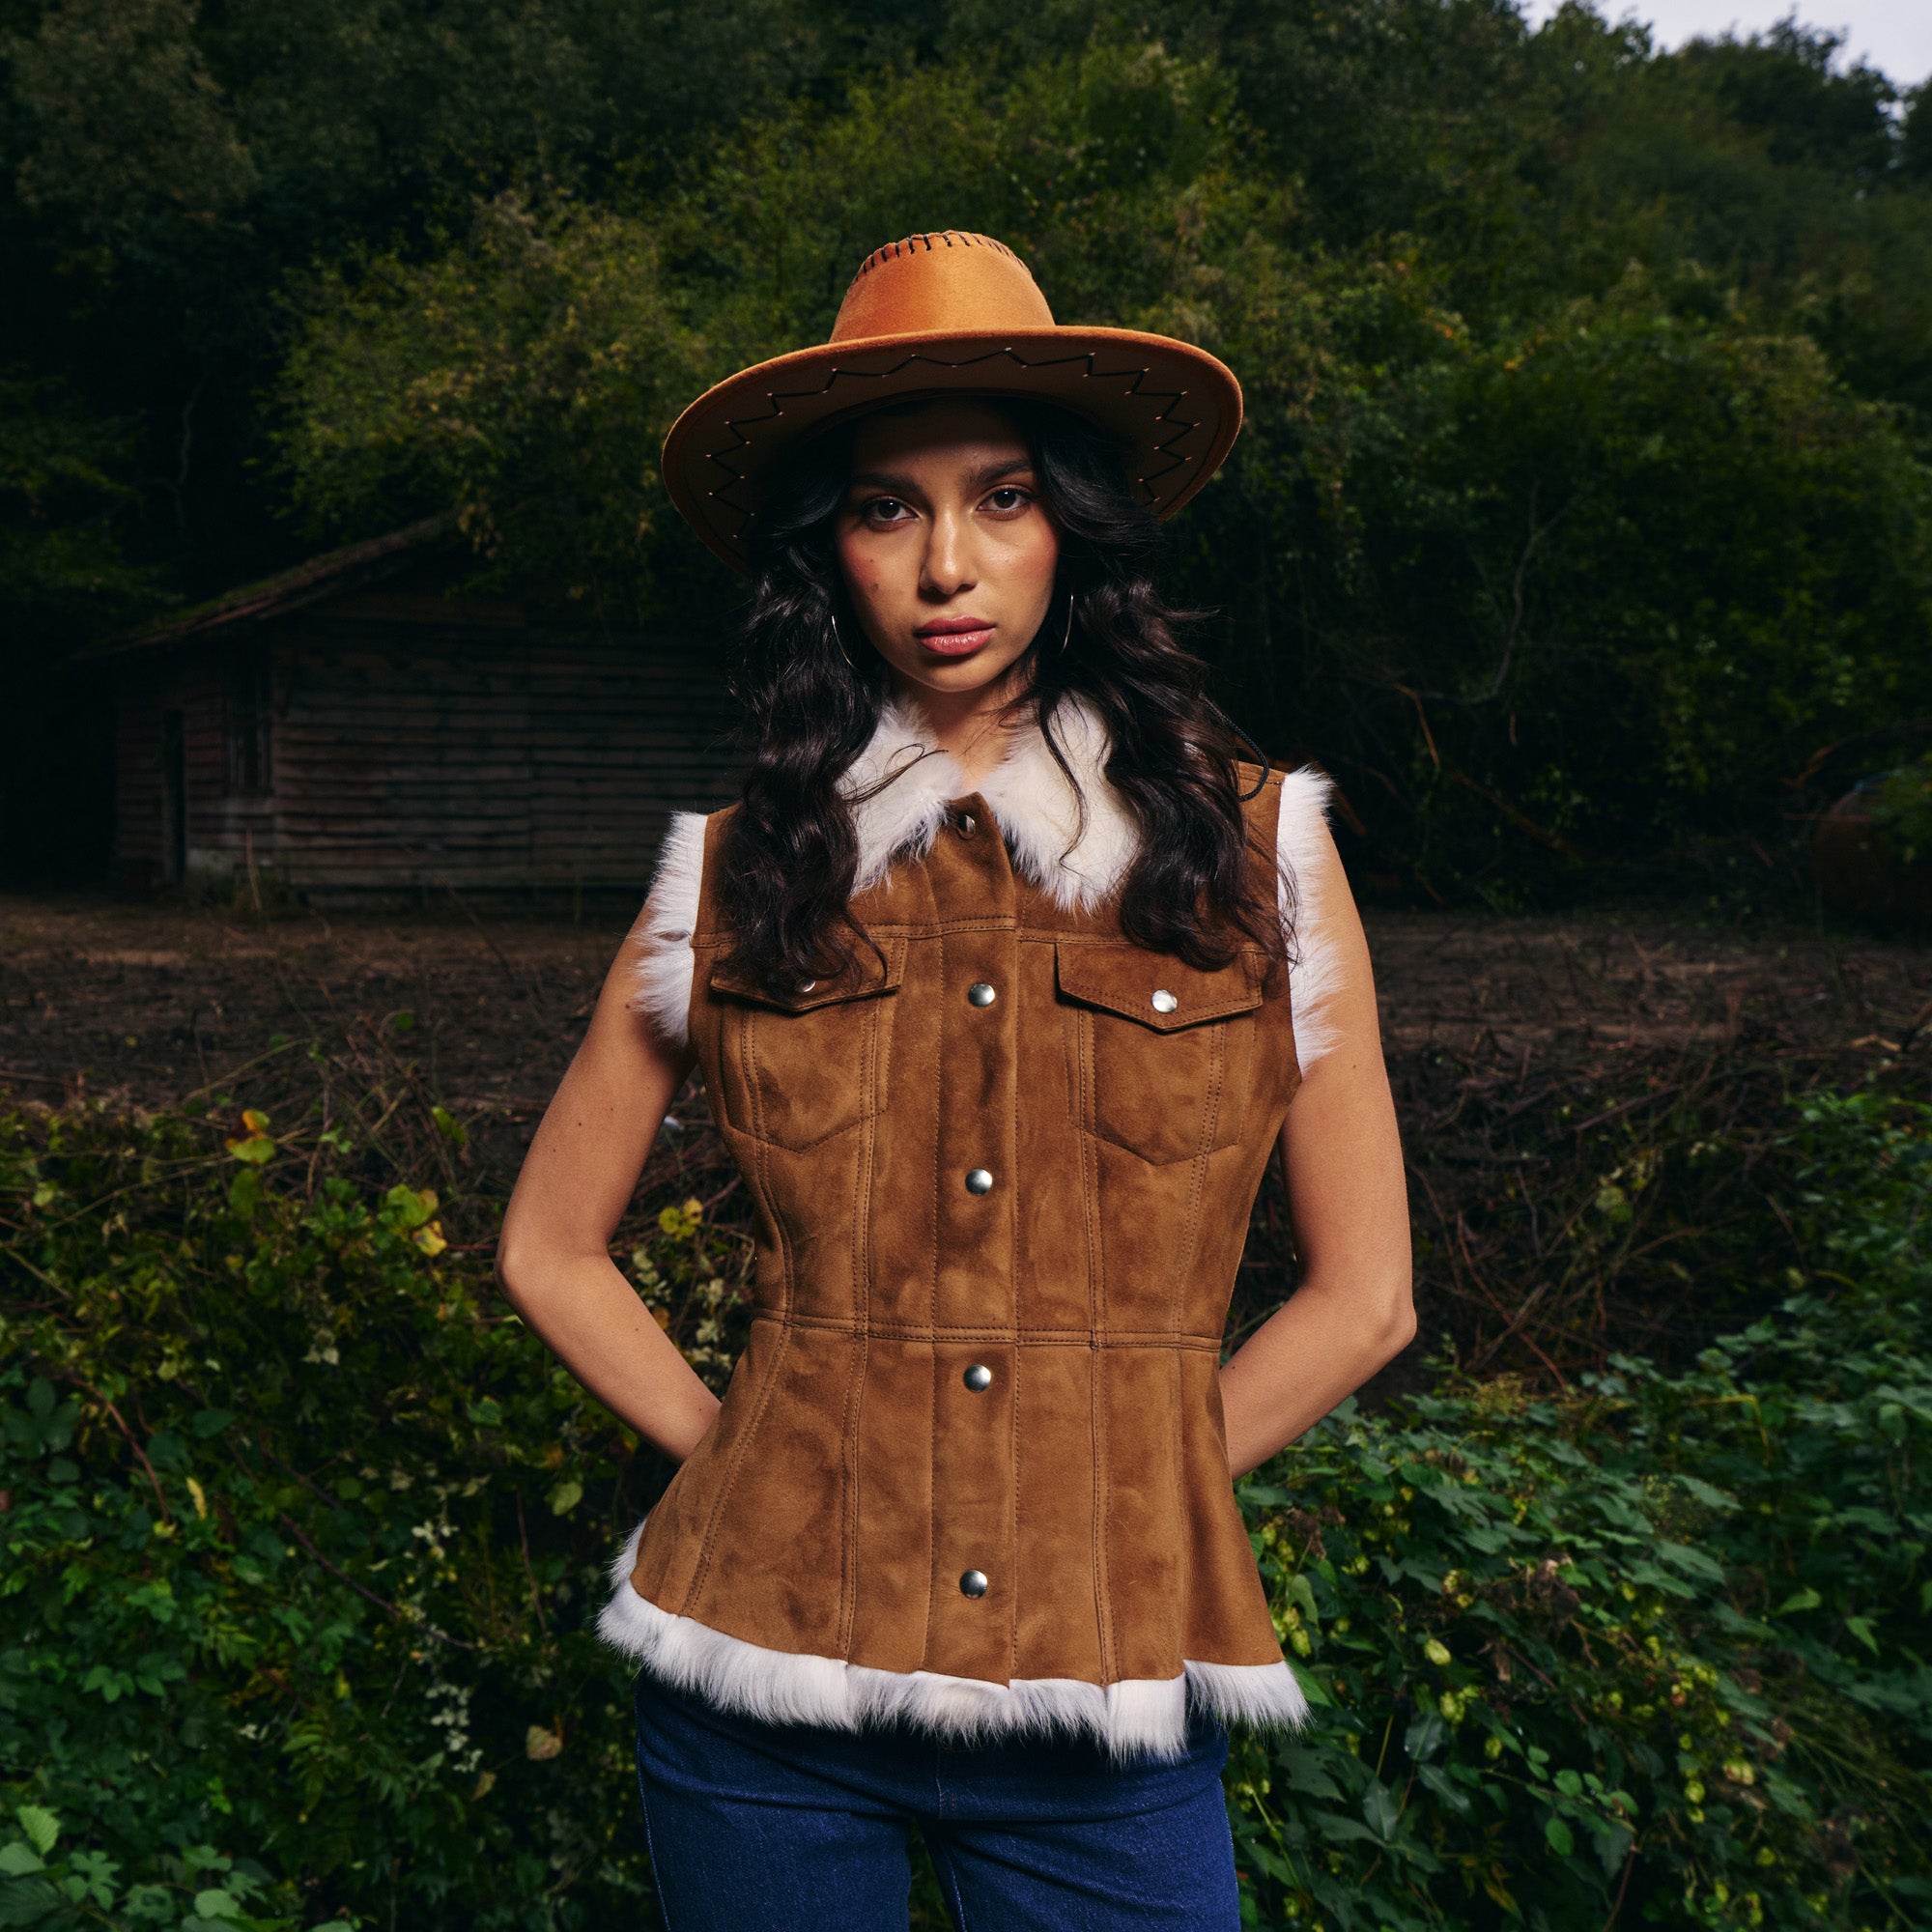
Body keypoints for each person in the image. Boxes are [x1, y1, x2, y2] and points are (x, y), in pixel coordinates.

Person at [497, 230, 1412, 1931]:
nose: (946, 565)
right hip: (755, 1705)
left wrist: (1120, 1494)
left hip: (1105, 1719)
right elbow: (550, 1246)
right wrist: (757, 1454)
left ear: (1075, 523)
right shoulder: (734, 870)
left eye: (1000, 497)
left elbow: (1366, 1300)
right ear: (826, 554)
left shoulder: (1259, 851)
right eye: (884, 509)